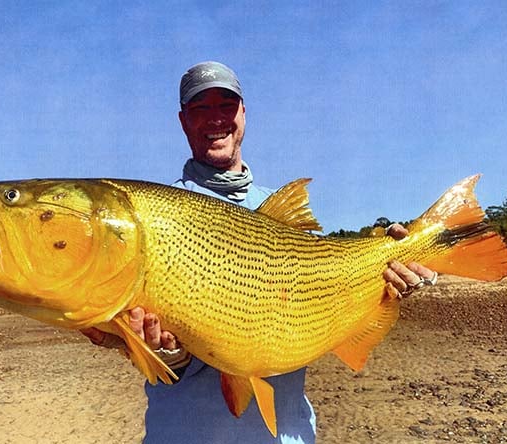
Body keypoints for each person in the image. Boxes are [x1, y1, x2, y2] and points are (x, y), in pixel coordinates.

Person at [82, 61, 437, 443]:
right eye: (201, 109)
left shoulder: (280, 211)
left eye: (225, 106)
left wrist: (393, 271)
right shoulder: (156, 215)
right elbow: (129, 343)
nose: (215, 119)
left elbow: (331, 287)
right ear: (184, 121)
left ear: (244, 115)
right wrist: (157, 353)